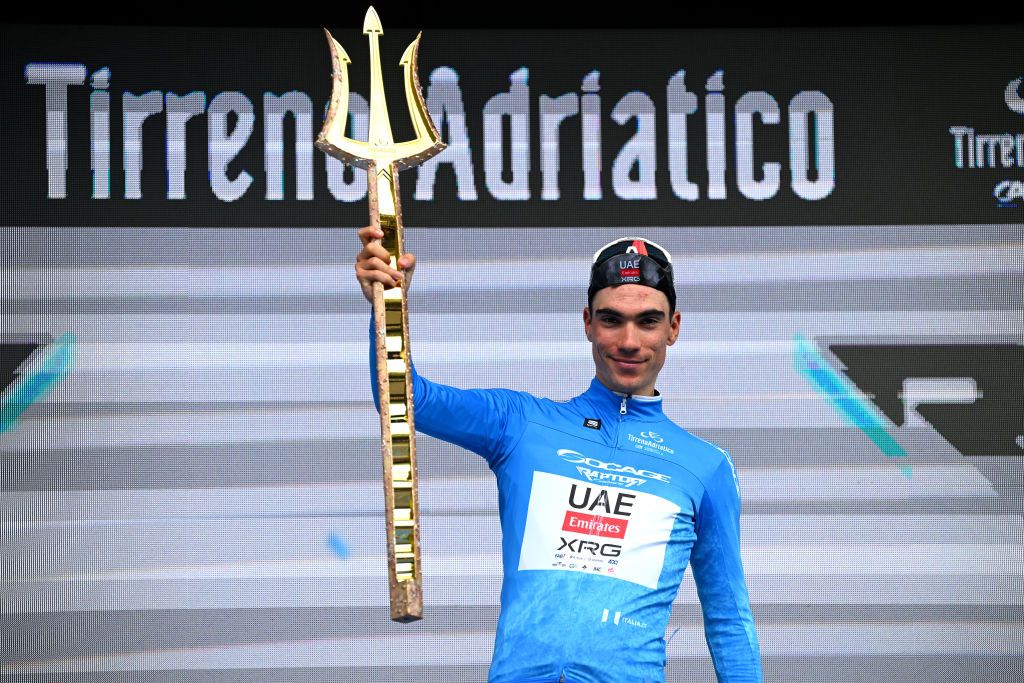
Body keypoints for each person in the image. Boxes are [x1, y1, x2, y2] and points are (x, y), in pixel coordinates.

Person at [356, 227, 763, 683]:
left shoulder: (705, 466)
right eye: (612, 320)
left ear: (674, 328)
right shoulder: (522, 424)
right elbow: (406, 398)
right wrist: (388, 304)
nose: (629, 341)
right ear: (587, 322)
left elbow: (728, 620)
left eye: (648, 321)